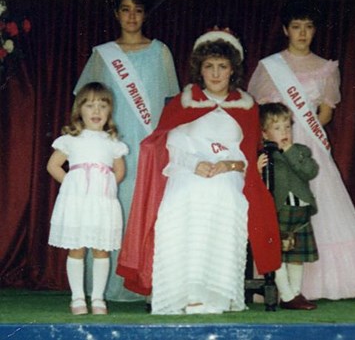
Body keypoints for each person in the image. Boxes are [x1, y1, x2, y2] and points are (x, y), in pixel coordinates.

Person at [117, 28, 281, 314]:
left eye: (222, 67)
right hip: (185, 169)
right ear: (200, 70)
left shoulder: (247, 106)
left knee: (225, 198)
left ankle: (215, 293)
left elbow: (247, 155)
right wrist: (195, 164)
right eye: (209, 67)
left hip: (229, 173)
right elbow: (170, 144)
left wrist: (227, 165)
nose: (216, 74)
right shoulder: (185, 101)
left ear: (233, 70)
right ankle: (183, 292)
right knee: (181, 200)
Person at [248, 0, 355, 300]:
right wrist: (280, 135)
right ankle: (283, 285)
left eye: (308, 27)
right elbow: (260, 110)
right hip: (279, 142)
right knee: (281, 207)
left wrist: (300, 130)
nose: (302, 33)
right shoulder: (270, 66)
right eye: (296, 27)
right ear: (286, 29)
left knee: (322, 204)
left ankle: (326, 284)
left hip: (309, 144)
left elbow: (325, 114)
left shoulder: (326, 68)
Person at [74, 0, 180, 301]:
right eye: (125, 10)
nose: (131, 16)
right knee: (109, 208)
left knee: (148, 208)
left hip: (149, 145)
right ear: (116, 14)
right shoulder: (102, 54)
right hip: (110, 146)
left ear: (145, 15)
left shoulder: (161, 51)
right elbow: (85, 101)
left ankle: (148, 284)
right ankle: (103, 288)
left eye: (138, 10)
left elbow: (170, 104)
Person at [47, 82, 129, 315]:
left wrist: (105, 185)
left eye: (102, 106)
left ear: (109, 111)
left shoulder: (112, 142)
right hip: (78, 203)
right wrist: (74, 185)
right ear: (79, 110)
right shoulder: (72, 139)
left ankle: (99, 298)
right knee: (77, 248)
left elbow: (119, 171)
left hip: (101, 203)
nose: (96, 111)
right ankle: (78, 299)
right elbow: (53, 166)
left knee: (101, 250)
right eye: (90, 106)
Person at [258, 102, 318, 310]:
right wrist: (257, 169)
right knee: (278, 255)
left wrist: (289, 150)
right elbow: (258, 187)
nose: (284, 131)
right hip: (278, 211)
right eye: (277, 128)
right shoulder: (263, 156)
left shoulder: (301, 151)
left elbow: (309, 172)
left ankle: (296, 293)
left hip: (300, 211)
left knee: (296, 256)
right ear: (264, 134)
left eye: (287, 127)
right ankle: (287, 294)